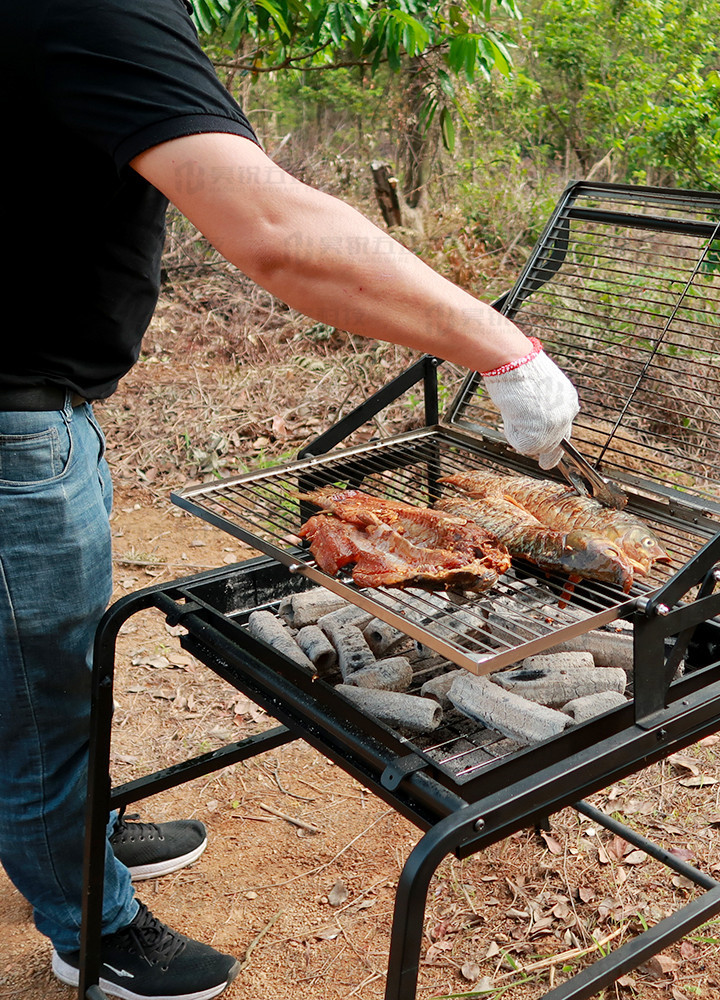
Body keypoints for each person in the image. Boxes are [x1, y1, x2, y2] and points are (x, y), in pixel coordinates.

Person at [0, 3, 579, 999]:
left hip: (36, 406)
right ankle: (88, 929)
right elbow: (272, 230)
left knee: (35, 676)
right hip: (12, 426)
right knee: (42, 693)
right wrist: (505, 349)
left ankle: (75, 834)